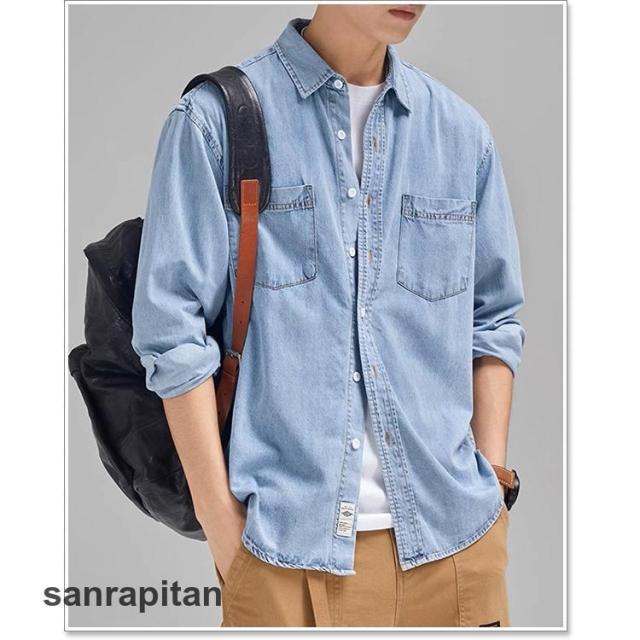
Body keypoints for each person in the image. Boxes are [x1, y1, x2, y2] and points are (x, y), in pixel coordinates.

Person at [131, 4, 525, 628]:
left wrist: (493, 484)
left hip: (456, 548)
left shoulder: (460, 135)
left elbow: (493, 319)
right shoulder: (215, 123)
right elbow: (171, 333)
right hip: (286, 557)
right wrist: (222, 527)